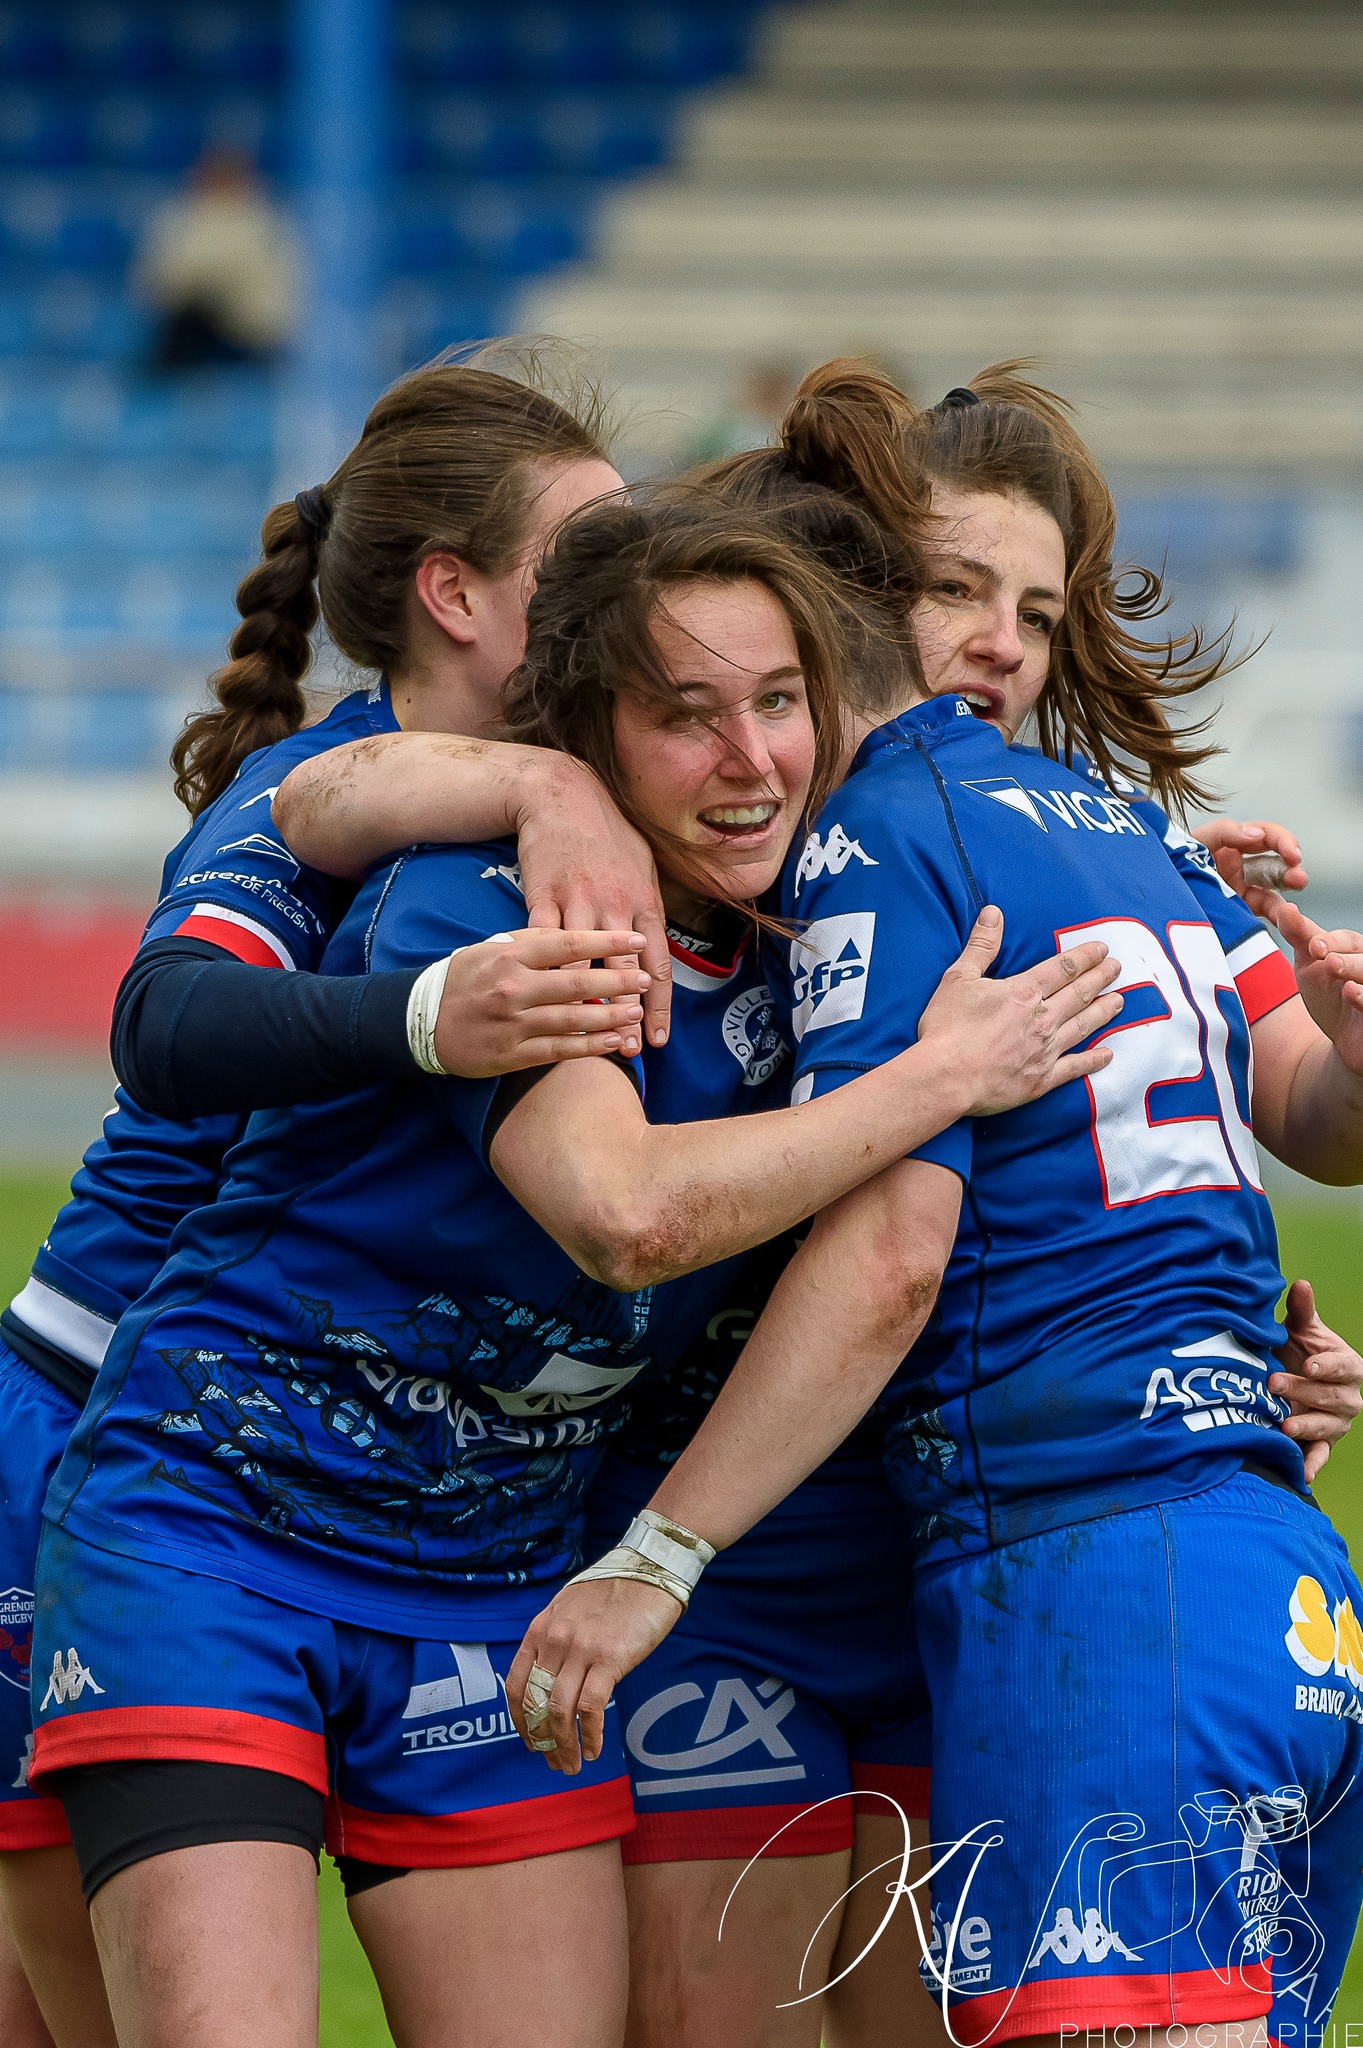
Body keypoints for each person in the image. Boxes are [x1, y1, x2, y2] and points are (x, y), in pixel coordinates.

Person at [276, 370, 1363, 2048]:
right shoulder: (843, 836)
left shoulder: (945, 844)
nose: (996, 641)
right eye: (951, 592)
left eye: (1031, 608)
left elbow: (919, 1233)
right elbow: (305, 809)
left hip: (1051, 1569)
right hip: (1048, 1565)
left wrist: (1231, 1378)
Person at [26, 498, 1121, 2048]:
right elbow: (627, 1216)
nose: (747, 761)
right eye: (682, 719)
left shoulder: (823, 918)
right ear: (592, 733)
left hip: (494, 1581)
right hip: (217, 1526)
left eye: (775, 703)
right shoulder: (501, 896)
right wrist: (935, 1076)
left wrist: (1256, 1365)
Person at [0, 354, 667, 2048]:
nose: (628, 596)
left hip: (403, 1493)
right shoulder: (330, 783)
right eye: (581, 564)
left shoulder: (616, 773)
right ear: (453, 592)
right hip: (100, 1436)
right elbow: (165, 1027)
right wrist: (432, 1013)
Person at [136, 148, 301, 374]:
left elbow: (271, 298)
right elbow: (159, 282)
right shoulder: (180, 217)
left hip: (248, 336)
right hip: (193, 326)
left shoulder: (263, 223)